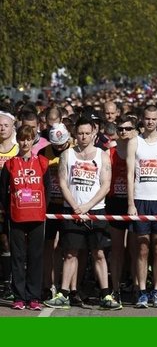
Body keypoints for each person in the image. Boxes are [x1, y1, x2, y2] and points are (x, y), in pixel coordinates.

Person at [44, 117, 121, 310]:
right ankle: (63, 294)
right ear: (74, 135)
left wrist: (87, 206)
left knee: (99, 253)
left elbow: (105, 185)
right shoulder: (67, 155)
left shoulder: (102, 155)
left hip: (95, 211)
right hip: (72, 211)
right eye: (80, 133)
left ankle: (106, 295)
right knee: (70, 253)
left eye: (87, 133)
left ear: (94, 134)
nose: (84, 137)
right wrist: (75, 206)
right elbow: (62, 183)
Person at [127, 105, 157, 308]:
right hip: (140, 200)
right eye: (147, 118)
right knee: (142, 248)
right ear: (142, 119)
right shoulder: (134, 142)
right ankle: (142, 291)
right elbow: (130, 175)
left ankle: (156, 290)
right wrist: (131, 203)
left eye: (154, 119)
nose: (150, 122)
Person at [0, 125, 51, 310]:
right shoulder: (10, 164)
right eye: (22, 139)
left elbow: (48, 189)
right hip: (16, 216)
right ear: (18, 140)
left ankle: (34, 297)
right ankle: (19, 297)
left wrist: (43, 208)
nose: (25, 142)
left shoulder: (43, 162)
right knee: (18, 258)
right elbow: (3, 191)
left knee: (36, 257)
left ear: (33, 140)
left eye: (28, 139)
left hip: (37, 216)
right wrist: (9, 209)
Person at [39, 123, 71, 301]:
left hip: (69, 205)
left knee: (68, 248)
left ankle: (69, 288)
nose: (59, 147)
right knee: (48, 246)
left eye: (62, 144)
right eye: (56, 144)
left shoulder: (74, 150)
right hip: (49, 205)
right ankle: (47, 285)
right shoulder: (43, 153)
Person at [107, 115, 137, 304]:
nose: (124, 132)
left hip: (135, 202)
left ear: (135, 130)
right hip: (115, 202)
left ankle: (136, 287)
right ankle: (115, 288)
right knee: (117, 248)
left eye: (127, 128)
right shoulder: (109, 152)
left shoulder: (141, 149)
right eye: (120, 129)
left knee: (135, 249)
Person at [0, 111, 19, 300]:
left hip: (12, 203)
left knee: (8, 241)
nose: (2, 128)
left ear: (13, 127)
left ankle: (10, 281)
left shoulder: (18, 149)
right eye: (0, 125)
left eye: (6, 125)